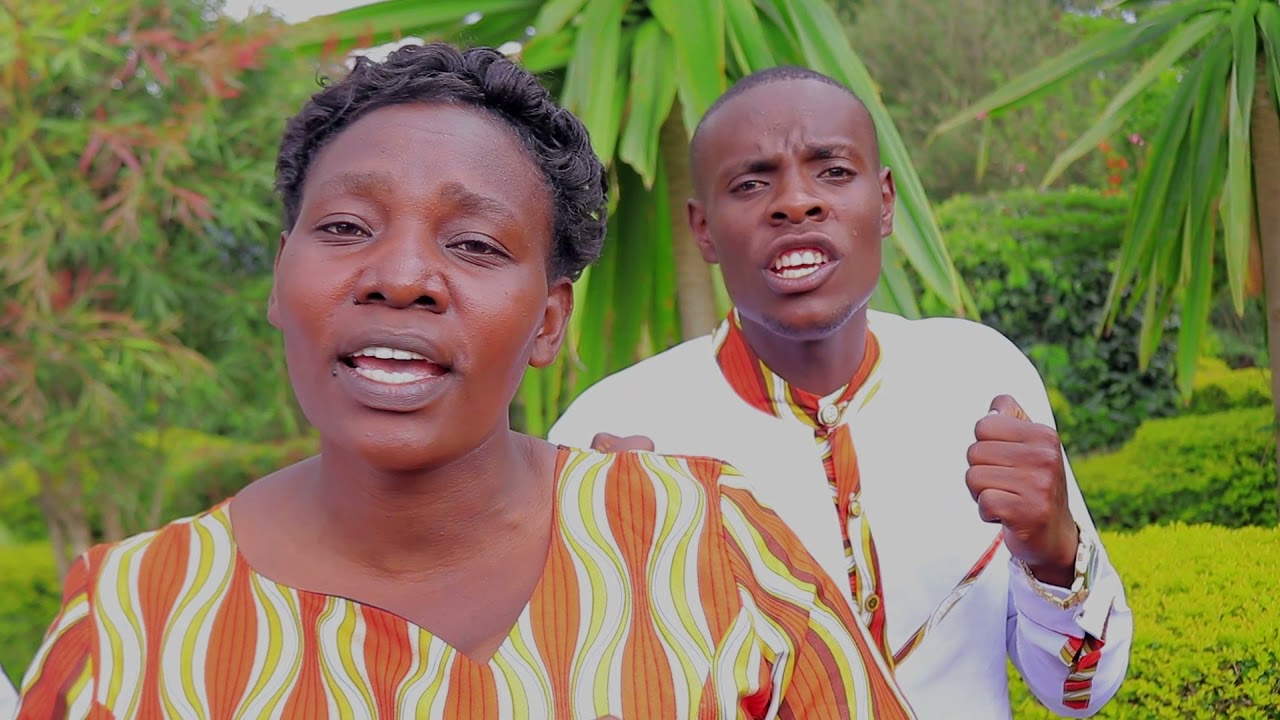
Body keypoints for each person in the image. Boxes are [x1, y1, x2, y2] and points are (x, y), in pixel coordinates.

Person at [14, 46, 915, 719]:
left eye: (475, 243)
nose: (401, 275)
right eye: (345, 227)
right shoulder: (135, 621)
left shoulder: (709, 545)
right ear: (280, 278)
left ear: (549, 322)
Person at [548, 66, 1133, 719]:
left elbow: (1080, 695)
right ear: (703, 228)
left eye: (832, 172)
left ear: (885, 202)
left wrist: (1055, 554)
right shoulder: (611, 436)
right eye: (750, 183)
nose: (796, 203)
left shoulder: (978, 375)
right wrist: (636, 601)